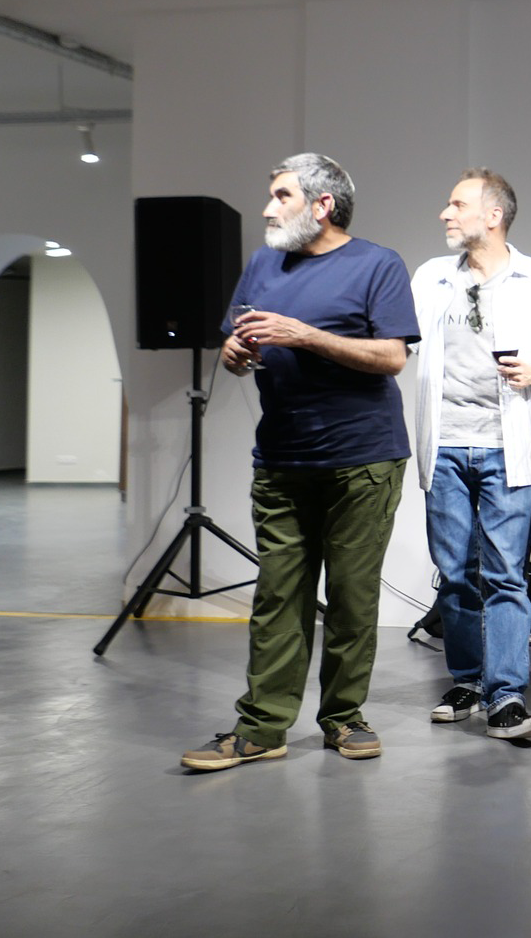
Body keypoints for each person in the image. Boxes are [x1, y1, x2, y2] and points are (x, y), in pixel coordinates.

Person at [181, 153, 419, 771]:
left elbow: (393, 357)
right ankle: (262, 727)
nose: (267, 208)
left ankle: (344, 717)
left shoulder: (377, 264)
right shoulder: (263, 264)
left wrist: (306, 335)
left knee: (351, 597)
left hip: (362, 460)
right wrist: (235, 352)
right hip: (282, 458)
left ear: (322, 205)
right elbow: (237, 341)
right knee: (277, 597)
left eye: (281, 196)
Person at [412, 168, 531, 740]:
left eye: (458, 205)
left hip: (508, 446)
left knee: (505, 574)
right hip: (445, 445)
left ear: (493, 216)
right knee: (454, 575)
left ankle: (506, 695)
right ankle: (467, 681)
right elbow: (401, 343)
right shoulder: (431, 276)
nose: (446, 214)